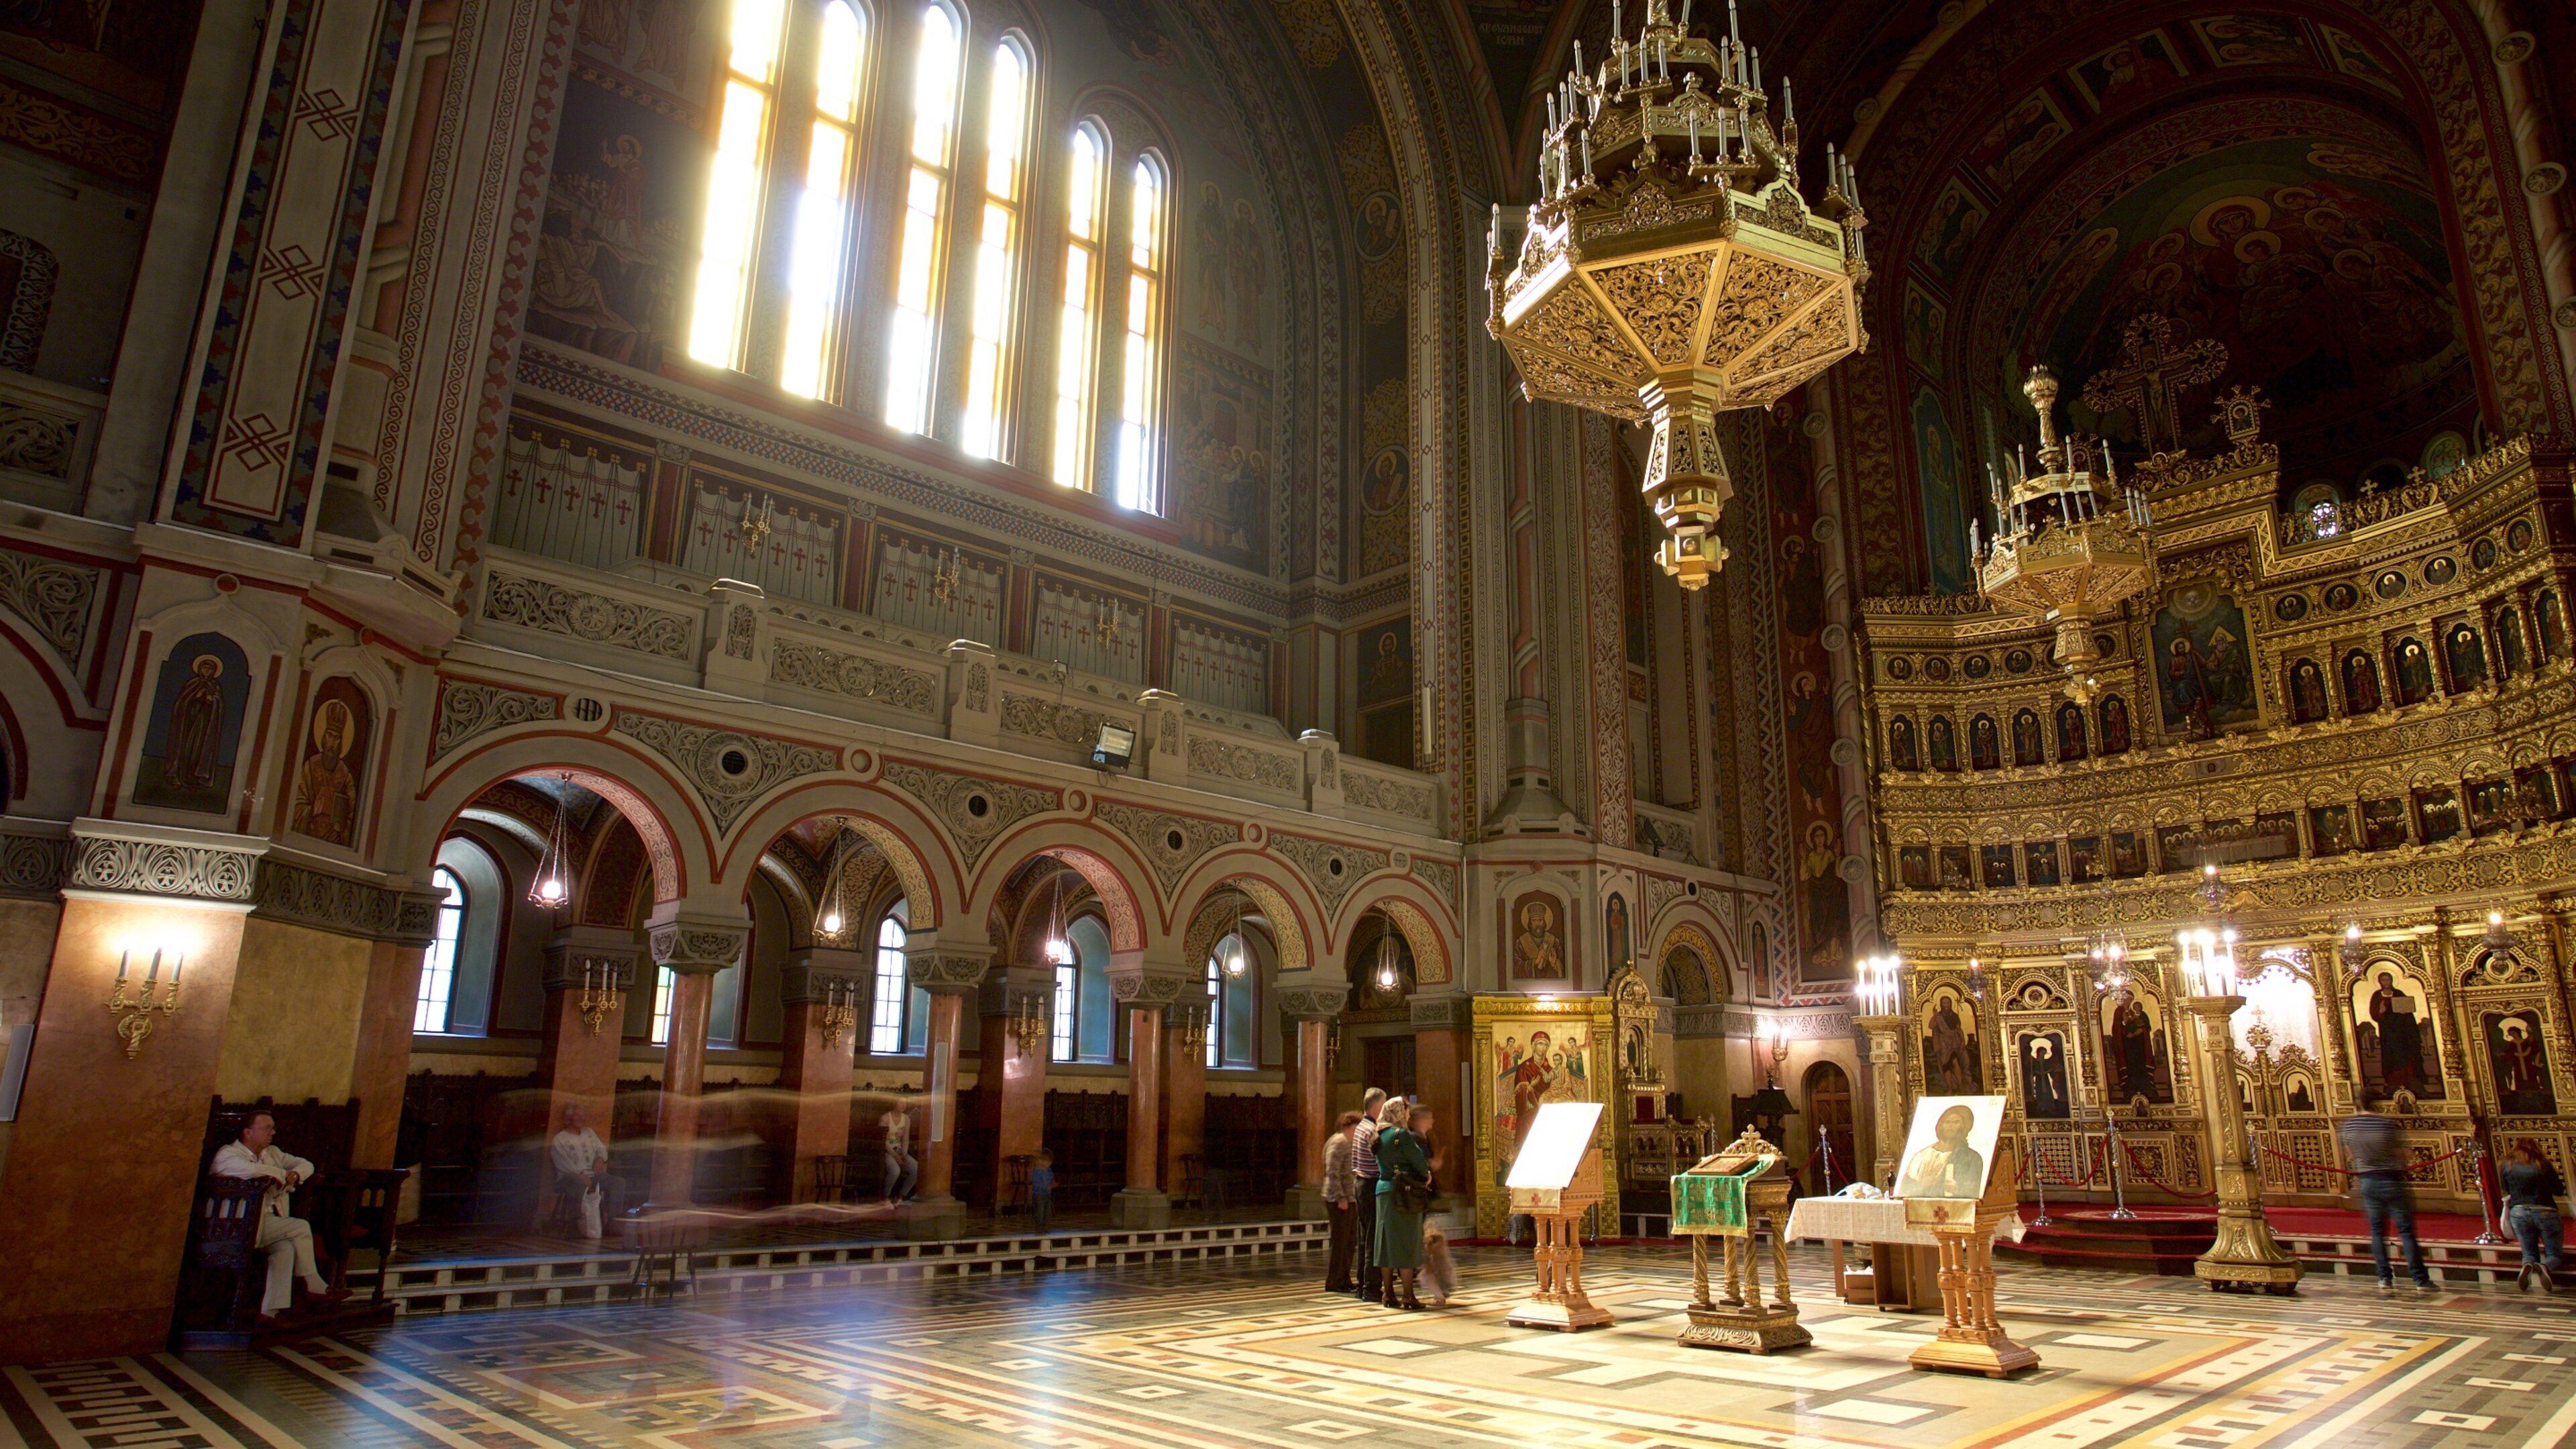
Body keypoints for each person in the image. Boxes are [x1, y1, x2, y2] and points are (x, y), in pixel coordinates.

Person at [211, 1112, 348, 1322]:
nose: (272, 1133)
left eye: (273, 1128)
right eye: (267, 1128)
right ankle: (313, 1284)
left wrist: (296, 1175)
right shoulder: (228, 1154)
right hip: (236, 1226)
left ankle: (270, 1312)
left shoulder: (272, 1153)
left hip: (263, 1224)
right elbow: (249, 1169)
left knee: (285, 1248)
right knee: (300, 1227)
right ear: (248, 1132)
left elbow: (305, 1164)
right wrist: (282, 1174)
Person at [2339, 1108, 2434, 1293]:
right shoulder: (2386, 1124)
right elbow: (2401, 1152)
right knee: (2406, 1231)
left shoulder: (2350, 1125)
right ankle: (2420, 1280)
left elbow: (2350, 1152)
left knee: (2377, 1232)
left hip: (2368, 1180)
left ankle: (2384, 1278)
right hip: (2390, 1179)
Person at [1373, 1102, 1436, 1310]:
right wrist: (1426, 1176)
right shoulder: (1401, 1135)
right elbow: (1419, 1162)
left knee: (1386, 1242)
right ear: (1400, 1112)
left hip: (1383, 1190)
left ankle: (1388, 1294)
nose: (1408, 1117)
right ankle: (1408, 1295)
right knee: (1407, 1241)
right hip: (1404, 1193)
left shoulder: (1379, 1133)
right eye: (1407, 1112)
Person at [548, 1103, 624, 1240]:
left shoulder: (589, 1133)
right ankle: (575, 1223)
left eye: (583, 1115)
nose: (581, 1118)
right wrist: (580, 1175)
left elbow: (601, 1148)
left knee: (617, 1182)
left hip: (591, 1176)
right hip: (567, 1178)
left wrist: (600, 1159)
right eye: (578, 1115)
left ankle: (611, 1222)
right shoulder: (560, 1139)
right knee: (577, 1182)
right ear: (569, 1118)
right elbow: (564, 1163)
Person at [2502, 1139, 2567, 1290]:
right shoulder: (2542, 1163)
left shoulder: (2507, 1164)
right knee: (2554, 1254)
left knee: (2529, 1251)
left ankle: (2528, 1265)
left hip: (2518, 1211)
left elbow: (2506, 1188)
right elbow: (2558, 1190)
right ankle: (2545, 1266)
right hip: (2545, 1210)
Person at [1897, 1102, 1987, 1199]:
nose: (1951, 1126)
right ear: (1941, 1126)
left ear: (1964, 1127)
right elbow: (1904, 1189)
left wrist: (1957, 1189)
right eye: (1947, 1122)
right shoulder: (1921, 1156)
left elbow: (1973, 1191)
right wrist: (1921, 1185)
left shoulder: (1973, 1158)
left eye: (1956, 1122)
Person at [1350, 1087, 1386, 1301]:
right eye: (1383, 1105)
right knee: (1372, 1238)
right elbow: (1379, 1163)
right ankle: (1371, 1287)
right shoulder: (1371, 1131)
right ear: (1375, 1107)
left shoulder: (1361, 1127)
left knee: (1364, 1237)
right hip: (1370, 1185)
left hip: (1361, 1183)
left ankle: (1362, 1284)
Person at [1322, 1112, 1362, 1292]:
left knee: (1349, 1241)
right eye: (1354, 1129)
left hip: (1350, 1197)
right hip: (1339, 1199)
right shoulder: (1339, 1143)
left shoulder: (1350, 1143)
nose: (1356, 1133)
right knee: (1340, 1241)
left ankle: (1345, 1278)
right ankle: (1334, 1282)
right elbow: (1332, 1172)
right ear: (1346, 1127)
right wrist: (1341, 1198)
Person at [881, 1099, 918, 1206]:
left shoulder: (906, 1119)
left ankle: (901, 1195)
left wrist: (904, 1154)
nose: (903, 1105)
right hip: (888, 1152)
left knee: (916, 1170)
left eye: (905, 1103)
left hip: (900, 1151)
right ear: (894, 1103)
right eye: (901, 1103)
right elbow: (883, 1142)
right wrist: (895, 1156)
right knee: (895, 1171)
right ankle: (886, 1197)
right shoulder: (885, 1118)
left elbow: (905, 1139)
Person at [1030, 1148, 1057, 1236]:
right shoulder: (1037, 1171)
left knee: (1047, 1212)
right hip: (1039, 1195)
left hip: (1047, 1194)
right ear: (1040, 1161)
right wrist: (1045, 1186)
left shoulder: (1049, 1171)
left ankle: (1044, 1227)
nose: (1048, 1164)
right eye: (1046, 1162)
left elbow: (1052, 1179)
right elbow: (1036, 1183)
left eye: (1050, 1162)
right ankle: (1039, 1228)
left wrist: (1053, 1184)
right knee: (1040, 1212)